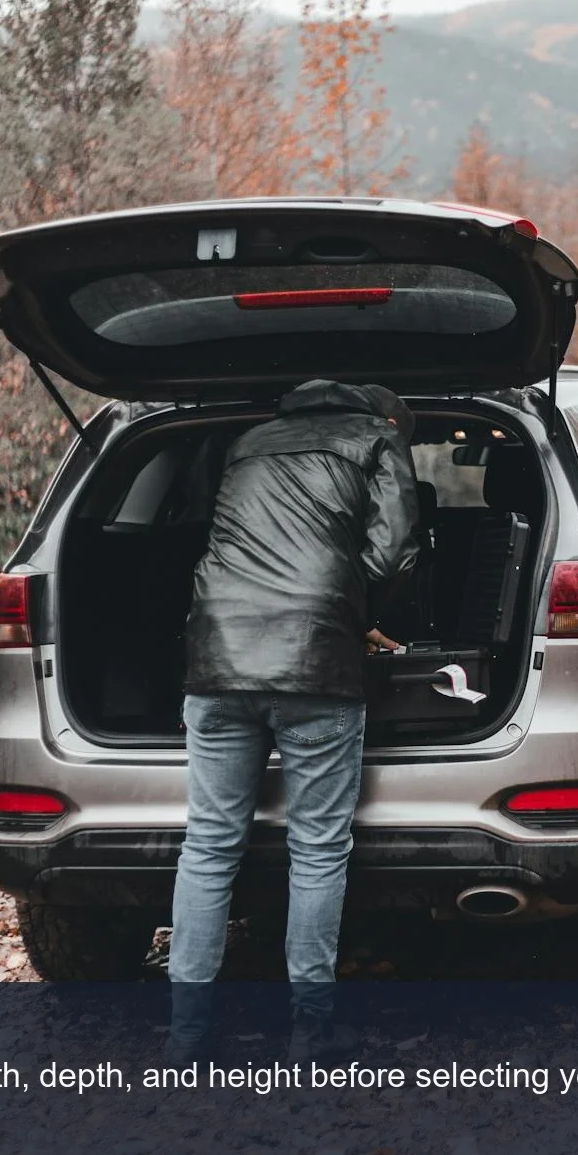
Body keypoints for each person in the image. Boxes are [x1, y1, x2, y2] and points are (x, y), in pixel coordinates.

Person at [167, 379, 419, 1062]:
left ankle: (185, 1031)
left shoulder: (247, 443)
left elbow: (199, 530)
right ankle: (309, 1031)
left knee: (210, 843)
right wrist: (352, 609)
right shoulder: (377, 439)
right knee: (316, 847)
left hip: (216, 653)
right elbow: (393, 552)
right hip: (316, 663)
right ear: (386, 414)